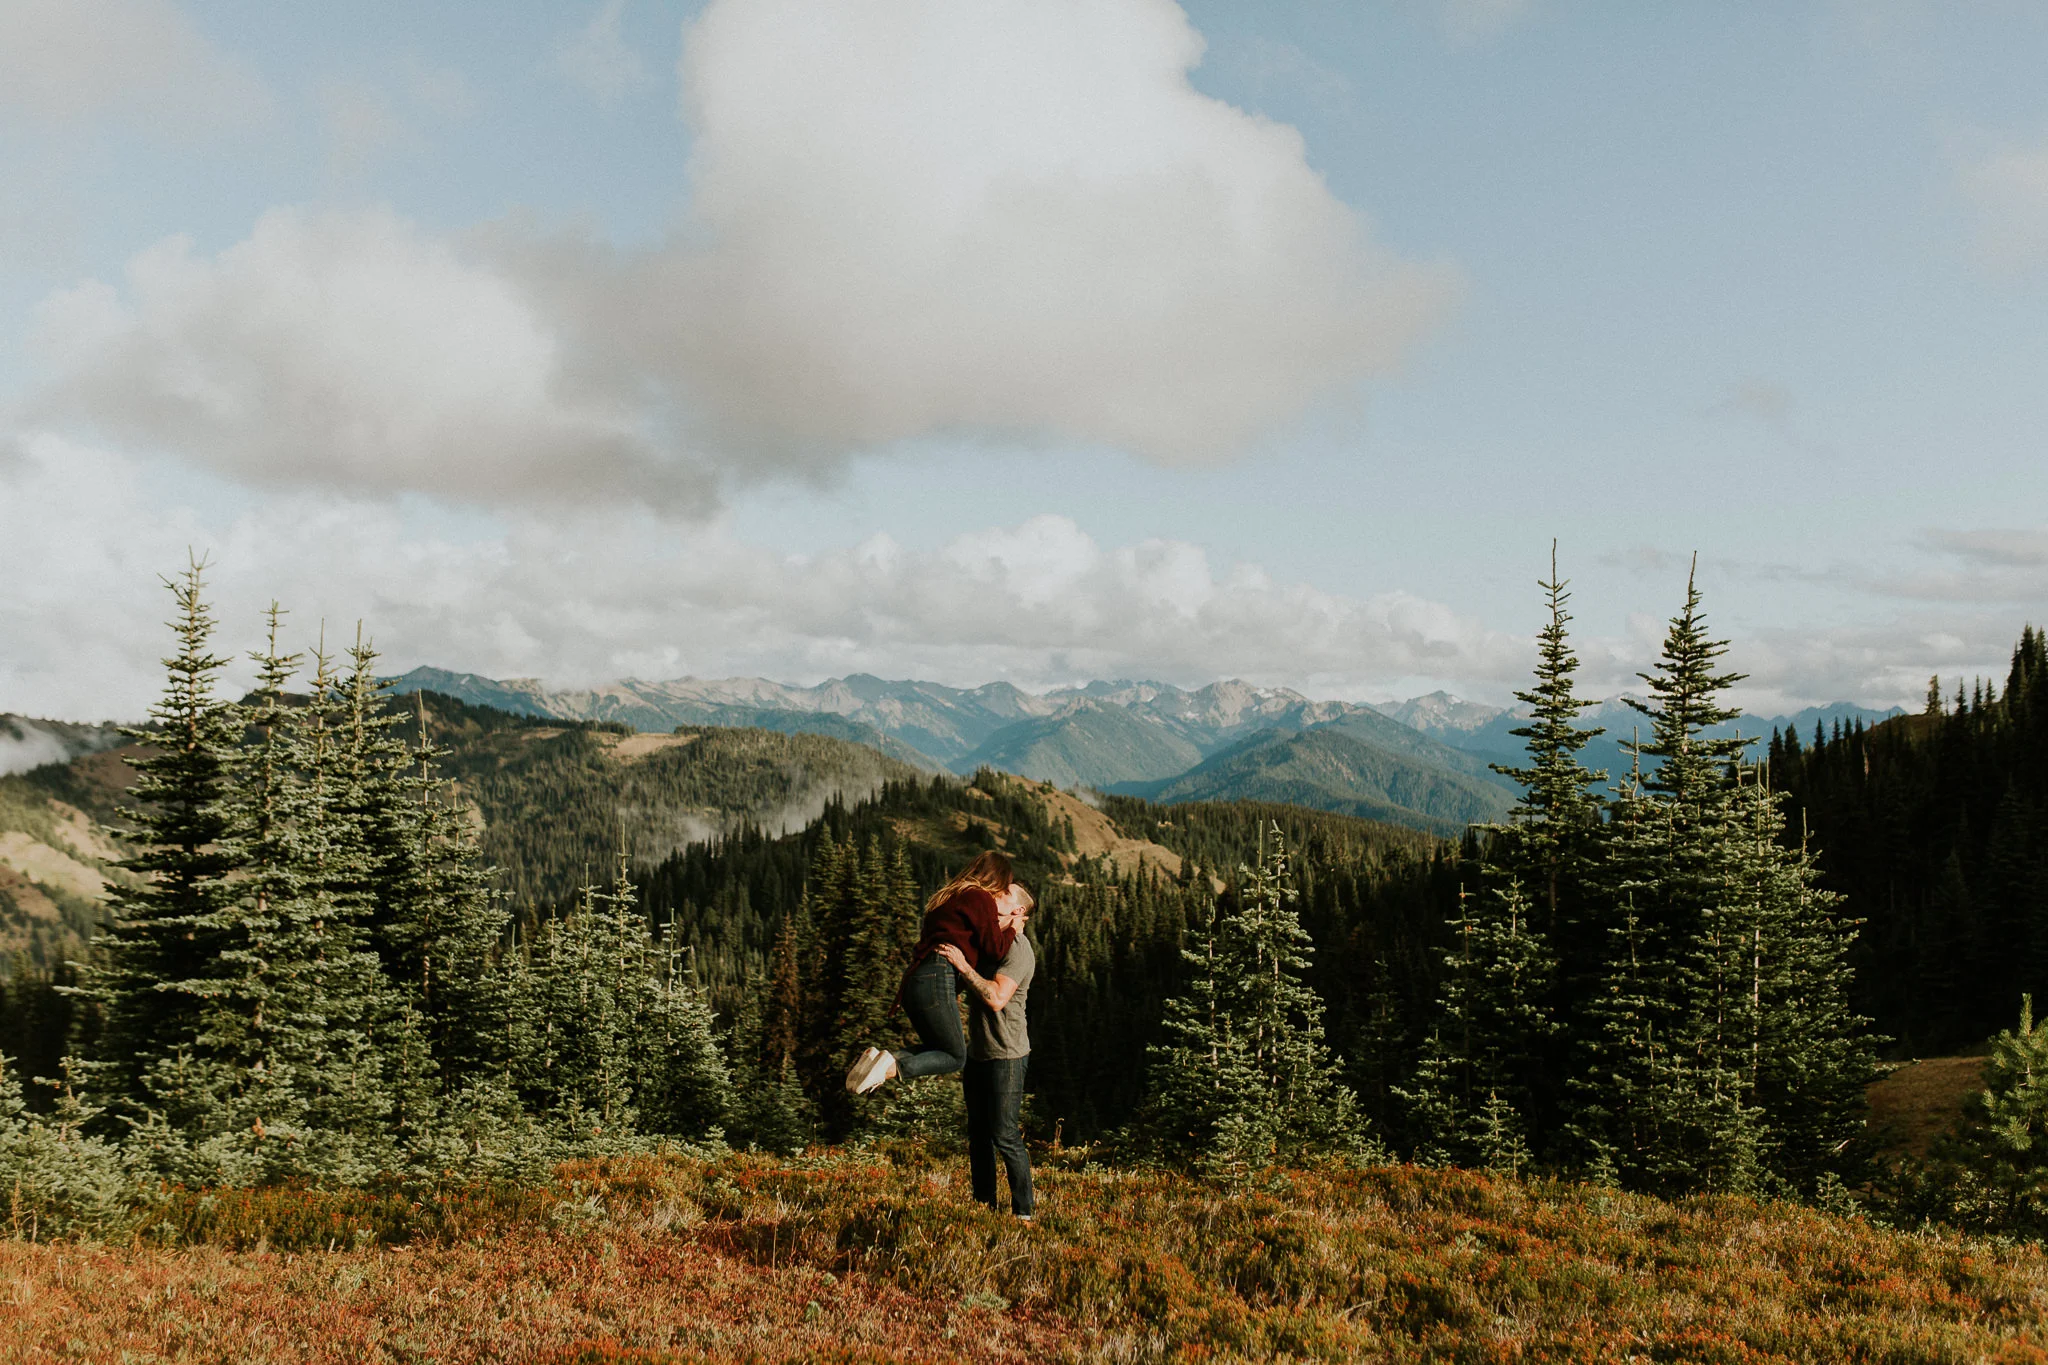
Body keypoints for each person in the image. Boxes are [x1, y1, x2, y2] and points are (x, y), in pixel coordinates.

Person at [844, 850, 1017, 1095]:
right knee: (956, 1057)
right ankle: (889, 1065)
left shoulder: (948, 897)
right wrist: (1014, 928)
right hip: (938, 977)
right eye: (1005, 886)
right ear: (996, 879)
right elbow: (995, 949)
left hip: (917, 980)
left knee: (937, 1047)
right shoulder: (979, 897)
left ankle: (878, 1059)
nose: (1002, 893)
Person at [939, 885, 1035, 1220]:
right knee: (978, 1134)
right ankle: (985, 1209)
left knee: (1004, 1133)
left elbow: (995, 999)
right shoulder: (993, 942)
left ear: (1018, 912)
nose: (996, 896)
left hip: (1007, 1055)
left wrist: (964, 967)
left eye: (1005, 895)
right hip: (979, 1054)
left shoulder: (1019, 951)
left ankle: (1024, 1213)